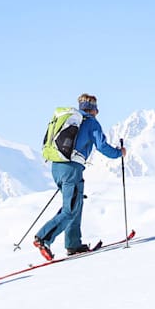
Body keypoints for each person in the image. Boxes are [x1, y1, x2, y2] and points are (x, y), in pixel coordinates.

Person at [33, 93, 125, 261]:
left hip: (57, 166)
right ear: (94, 109)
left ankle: (73, 244)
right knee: (70, 209)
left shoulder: (72, 120)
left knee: (76, 204)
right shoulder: (91, 122)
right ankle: (43, 238)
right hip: (72, 169)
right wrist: (119, 153)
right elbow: (102, 146)